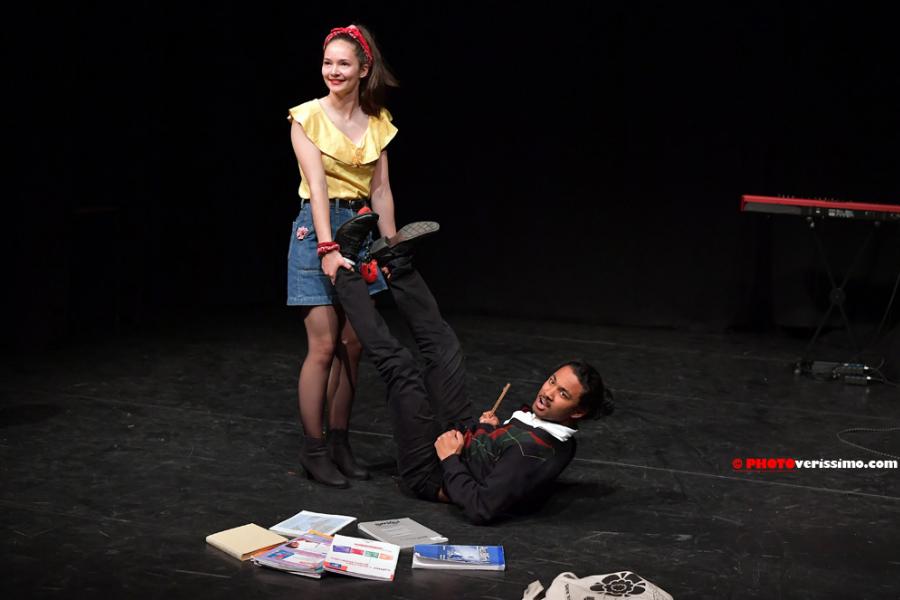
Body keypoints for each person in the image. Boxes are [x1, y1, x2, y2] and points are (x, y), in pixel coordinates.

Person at [329, 214, 616, 524]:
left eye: (563, 394)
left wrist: (449, 459)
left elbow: (482, 507)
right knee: (445, 349)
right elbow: (502, 456)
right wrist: (490, 431)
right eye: (552, 381)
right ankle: (397, 265)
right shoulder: (548, 427)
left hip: (431, 472)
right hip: (464, 437)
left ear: (578, 412)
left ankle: (344, 267)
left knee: (401, 370)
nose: (547, 393)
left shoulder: (535, 453)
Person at [286, 24, 399, 488]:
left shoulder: (377, 121)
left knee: (353, 347)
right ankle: (313, 451)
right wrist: (327, 248)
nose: (333, 70)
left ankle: (339, 443)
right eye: (328, 62)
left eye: (343, 63)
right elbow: (316, 187)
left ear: (363, 69)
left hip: (361, 227)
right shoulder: (307, 117)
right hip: (318, 228)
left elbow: (381, 190)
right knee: (323, 346)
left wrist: (392, 247)